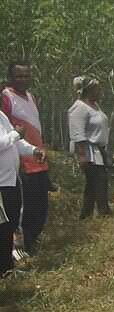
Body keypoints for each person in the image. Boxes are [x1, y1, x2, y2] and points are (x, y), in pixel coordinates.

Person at [1, 61, 50, 254]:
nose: (23, 79)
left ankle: (30, 245)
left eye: (26, 75)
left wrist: (36, 150)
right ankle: (20, 248)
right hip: (20, 167)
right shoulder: (7, 97)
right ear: (10, 77)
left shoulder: (30, 97)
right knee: (22, 211)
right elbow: (10, 135)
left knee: (39, 207)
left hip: (35, 159)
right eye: (19, 76)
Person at [0, 110, 46, 274]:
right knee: (3, 227)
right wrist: (15, 134)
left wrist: (33, 150)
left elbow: (16, 143)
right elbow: (9, 140)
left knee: (10, 224)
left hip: (10, 180)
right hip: (1, 183)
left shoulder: (1, 115)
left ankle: (7, 268)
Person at [68, 76, 112, 218]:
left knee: (93, 184)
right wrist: (82, 156)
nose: (99, 92)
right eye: (96, 89)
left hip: (98, 150)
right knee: (99, 180)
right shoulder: (79, 108)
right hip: (88, 151)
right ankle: (103, 211)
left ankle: (87, 214)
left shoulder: (95, 106)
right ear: (88, 90)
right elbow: (77, 133)